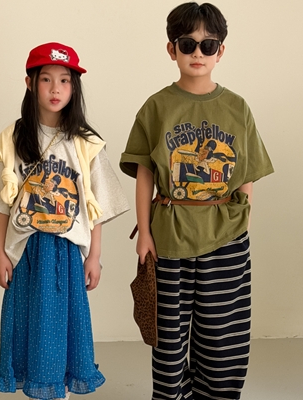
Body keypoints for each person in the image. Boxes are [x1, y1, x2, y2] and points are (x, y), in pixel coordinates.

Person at [120, 3, 274, 400]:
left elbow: (247, 172)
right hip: (169, 237)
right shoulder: (156, 107)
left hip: (226, 236)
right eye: (187, 44)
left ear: (220, 51)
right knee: (168, 335)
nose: (198, 53)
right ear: (171, 49)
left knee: (224, 333)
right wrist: (144, 233)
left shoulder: (237, 107)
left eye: (208, 45)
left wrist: (242, 224)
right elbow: (145, 172)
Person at [0, 42, 129, 400]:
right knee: (28, 324)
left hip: (67, 252)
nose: (55, 89)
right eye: (46, 79)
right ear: (30, 83)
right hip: (26, 250)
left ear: (74, 87)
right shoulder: (11, 138)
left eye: (64, 80)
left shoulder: (86, 143)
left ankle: (59, 391)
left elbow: (97, 207)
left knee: (64, 325)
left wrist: (94, 256)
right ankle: (39, 388)